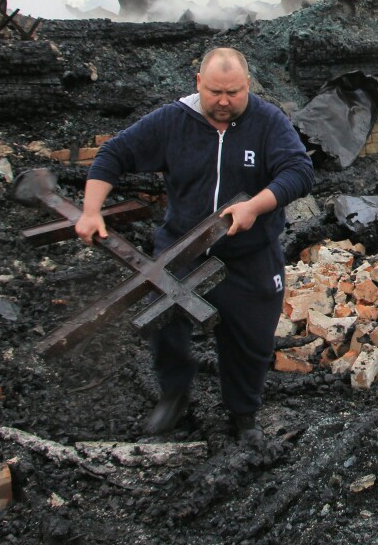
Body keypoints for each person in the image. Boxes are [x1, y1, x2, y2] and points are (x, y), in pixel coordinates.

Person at [76, 47, 315, 441]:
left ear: (248, 86)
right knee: (163, 322)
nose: (224, 102)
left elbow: (300, 171)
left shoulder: (268, 121)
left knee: (251, 337)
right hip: (183, 247)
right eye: (215, 92)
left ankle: (244, 415)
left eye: (234, 93)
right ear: (198, 83)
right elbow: (113, 153)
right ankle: (174, 391)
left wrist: (255, 206)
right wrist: (90, 210)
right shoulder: (173, 121)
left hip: (250, 253)